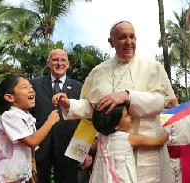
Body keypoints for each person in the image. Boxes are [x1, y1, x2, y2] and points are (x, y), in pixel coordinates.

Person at [53, 21, 176, 183]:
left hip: (147, 146)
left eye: (132, 37)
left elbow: (164, 102)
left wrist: (127, 96)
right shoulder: (98, 71)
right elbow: (93, 107)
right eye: (122, 37)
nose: (129, 42)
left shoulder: (153, 67)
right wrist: (69, 104)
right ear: (111, 42)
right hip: (113, 150)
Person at [0, 74, 60, 183]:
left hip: (19, 177)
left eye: (31, 87)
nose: (31, 90)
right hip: (4, 177)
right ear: (10, 97)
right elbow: (32, 141)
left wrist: (32, 171)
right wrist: (50, 121)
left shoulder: (28, 117)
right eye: (24, 87)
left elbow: (31, 150)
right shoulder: (9, 116)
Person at [30, 49, 90, 183]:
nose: (59, 63)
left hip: (70, 148)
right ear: (48, 63)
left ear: (68, 65)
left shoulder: (80, 87)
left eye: (63, 60)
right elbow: (28, 116)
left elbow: (86, 119)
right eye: (55, 60)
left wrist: (85, 152)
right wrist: (29, 151)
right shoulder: (34, 85)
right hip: (40, 148)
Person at [90, 103, 169, 183]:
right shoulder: (128, 138)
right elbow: (159, 141)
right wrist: (168, 130)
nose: (130, 117)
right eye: (126, 115)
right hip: (121, 178)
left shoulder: (101, 138)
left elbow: (93, 148)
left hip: (101, 177)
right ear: (115, 124)